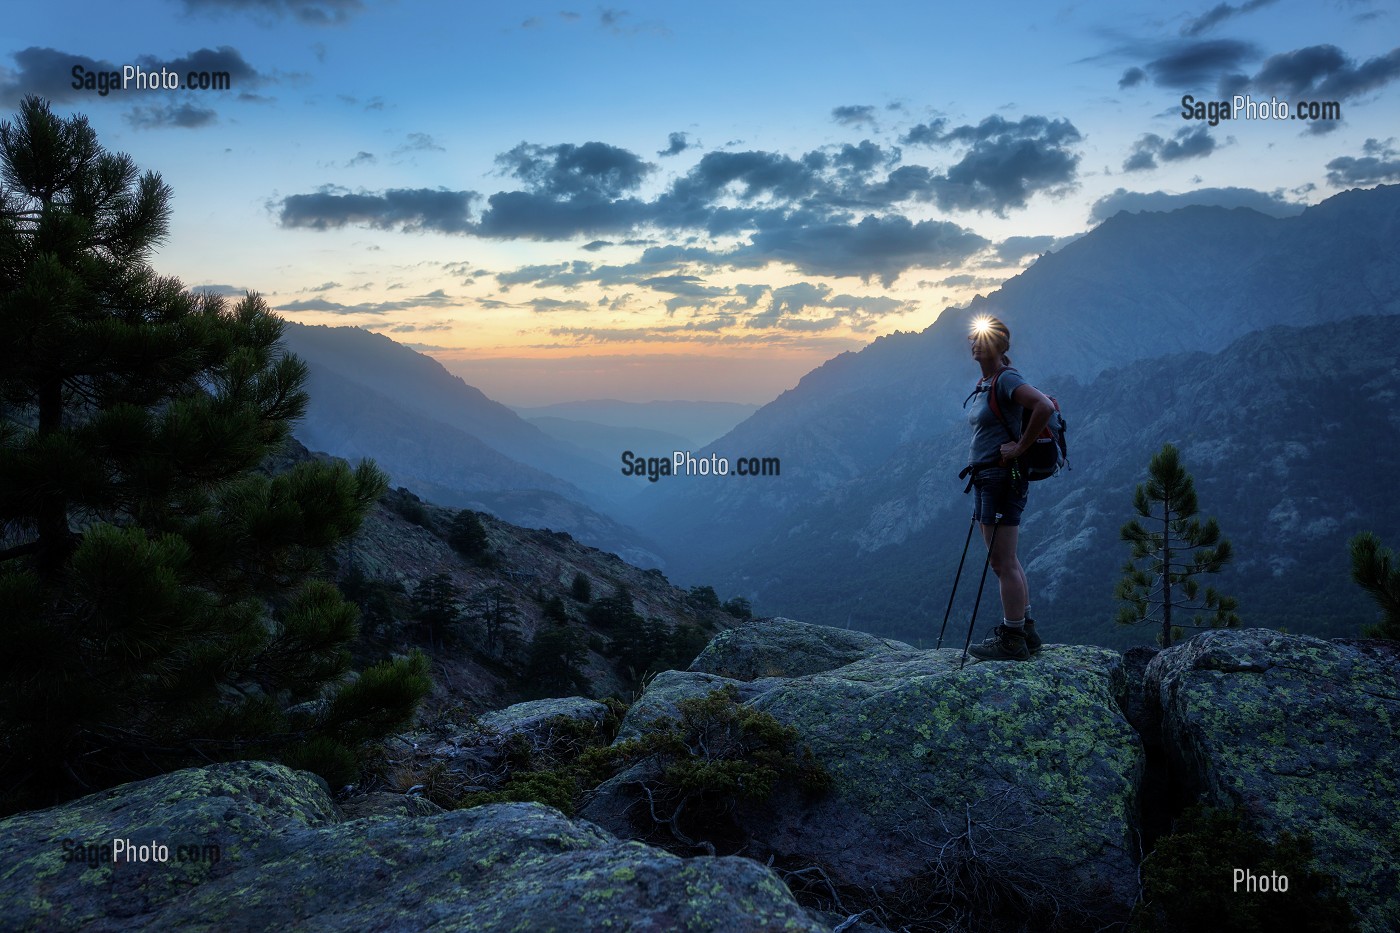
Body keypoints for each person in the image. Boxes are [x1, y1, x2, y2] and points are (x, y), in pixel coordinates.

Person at [962, 316, 1056, 662]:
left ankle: (1012, 636)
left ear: (1001, 346)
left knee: (1001, 561)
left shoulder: (1006, 379)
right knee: (1007, 560)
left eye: (984, 339)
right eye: (973, 338)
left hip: (1000, 479)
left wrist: (1017, 448)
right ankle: (1026, 629)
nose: (976, 343)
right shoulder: (987, 382)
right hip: (989, 478)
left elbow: (1043, 406)